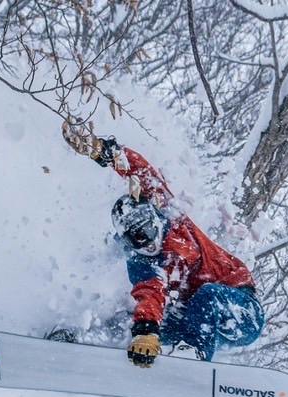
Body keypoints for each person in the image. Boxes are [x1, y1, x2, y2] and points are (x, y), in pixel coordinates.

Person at [63, 122, 264, 368]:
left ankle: (193, 359)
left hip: (239, 309)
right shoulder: (142, 260)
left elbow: (142, 173)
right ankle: (85, 341)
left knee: (207, 296)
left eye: (148, 232)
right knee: (131, 321)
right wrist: (145, 331)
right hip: (191, 317)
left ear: (155, 219)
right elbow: (150, 293)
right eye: (136, 239)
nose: (146, 243)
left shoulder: (173, 217)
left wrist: (108, 152)